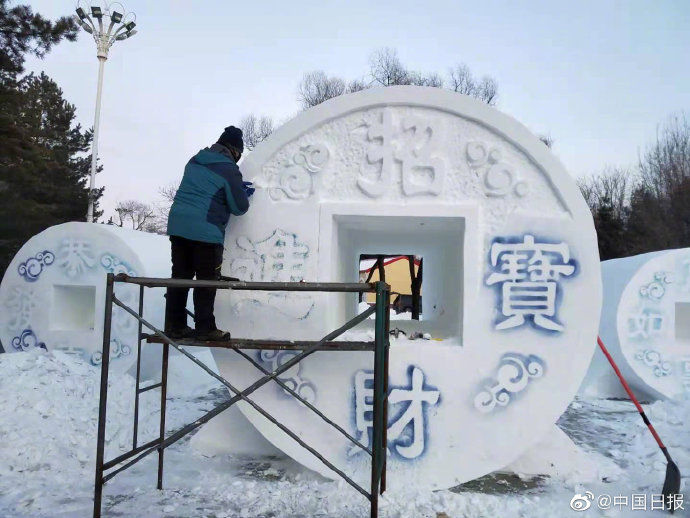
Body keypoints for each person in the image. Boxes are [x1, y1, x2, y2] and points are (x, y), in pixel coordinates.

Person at [165, 125, 255, 341]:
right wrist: (241, 191)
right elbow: (239, 207)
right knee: (206, 280)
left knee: (181, 277)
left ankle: (174, 325)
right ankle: (205, 328)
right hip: (205, 231)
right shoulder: (229, 168)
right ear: (235, 151)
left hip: (178, 225)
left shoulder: (195, 159)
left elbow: (206, 189)